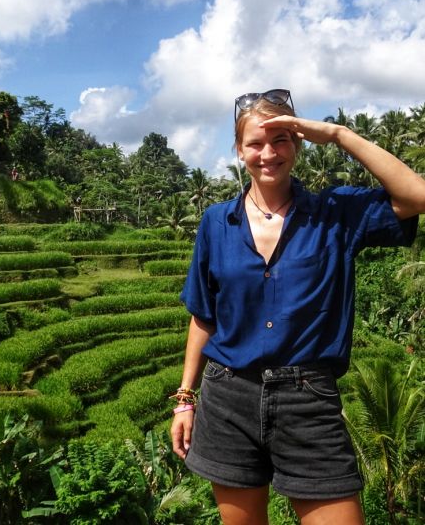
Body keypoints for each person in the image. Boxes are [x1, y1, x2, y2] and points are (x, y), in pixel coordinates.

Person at [170, 88, 425, 525]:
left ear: (298, 145)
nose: (268, 154)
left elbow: (417, 196)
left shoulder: (336, 212)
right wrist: (184, 398)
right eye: (255, 143)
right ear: (239, 150)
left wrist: (340, 134)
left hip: (308, 400)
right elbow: (203, 315)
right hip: (228, 397)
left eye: (281, 140)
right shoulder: (216, 221)